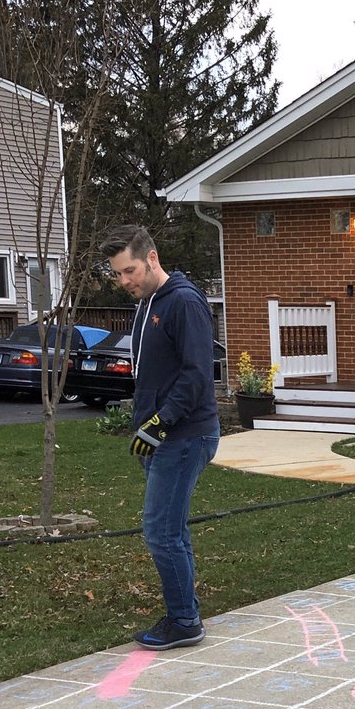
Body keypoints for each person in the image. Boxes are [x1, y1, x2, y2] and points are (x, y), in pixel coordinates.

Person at [99, 225, 220, 650]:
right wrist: (144, 425)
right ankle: (185, 611)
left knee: (160, 531)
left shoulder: (183, 302)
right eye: (117, 274)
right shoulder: (148, 302)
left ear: (152, 258)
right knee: (171, 529)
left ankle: (184, 620)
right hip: (159, 436)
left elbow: (197, 374)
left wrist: (161, 423)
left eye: (129, 270)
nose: (123, 281)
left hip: (185, 436)